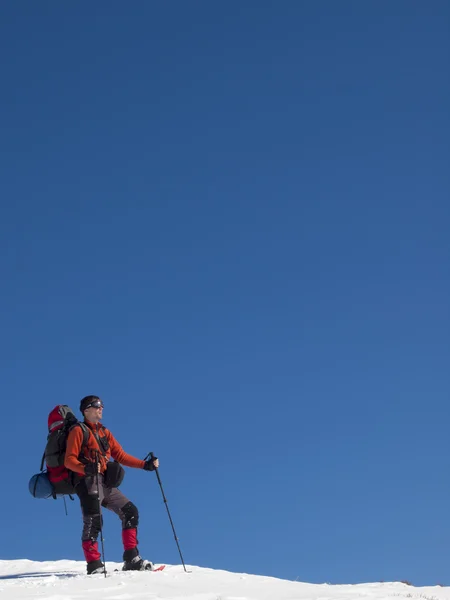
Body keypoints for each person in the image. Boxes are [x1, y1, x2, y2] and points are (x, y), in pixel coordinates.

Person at [64, 395, 159, 575]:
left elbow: (120, 455)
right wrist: (86, 467)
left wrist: (144, 465)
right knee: (93, 520)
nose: (101, 408)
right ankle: (94, 565)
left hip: (104, 482)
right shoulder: (78, 431)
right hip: (86, 481)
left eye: (102, 405)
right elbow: (69, 460)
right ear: (86, 410)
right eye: (97, 405)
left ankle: (131, 558)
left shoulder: (104, 432)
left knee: (130, 511)